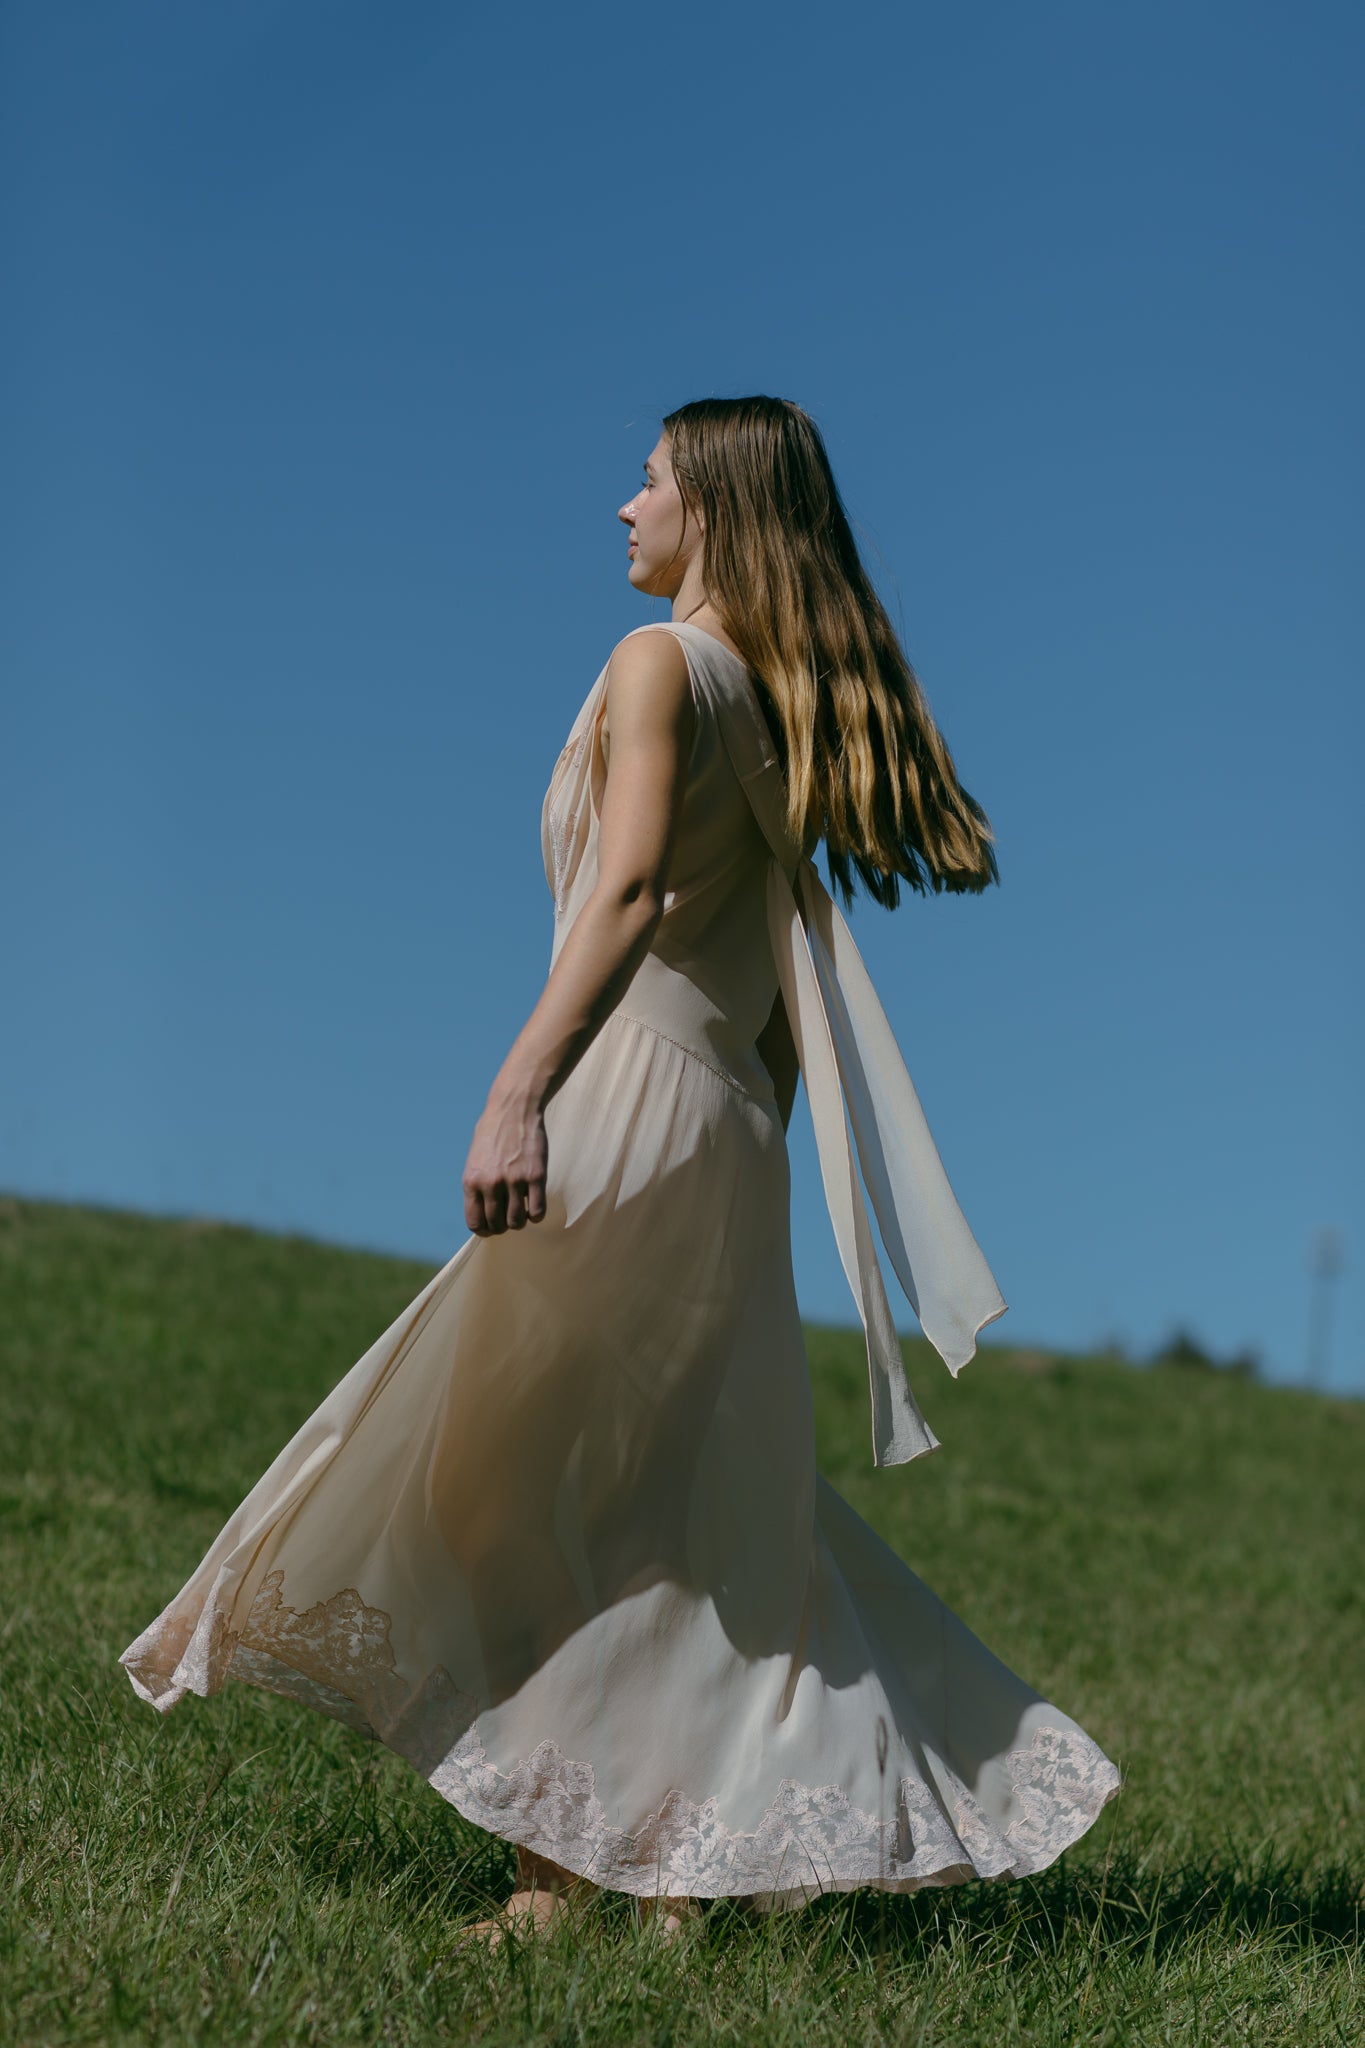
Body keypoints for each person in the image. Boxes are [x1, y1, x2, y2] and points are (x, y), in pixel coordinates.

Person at [120, 395, 1121, 1944]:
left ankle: (570, 1871)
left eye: (646, 479)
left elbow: (634, 888)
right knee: (661, 1509)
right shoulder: (768, 703)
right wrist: (728, 1160)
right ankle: (666, 1858)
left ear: (709, 503)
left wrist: (523, 1088)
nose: (621, 505)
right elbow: (779, 991)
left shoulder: (658, 666)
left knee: (489, 1480)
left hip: (626, 1093)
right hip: (722, 1125)